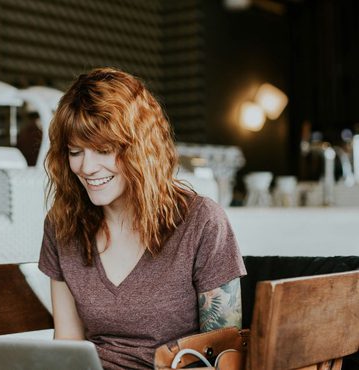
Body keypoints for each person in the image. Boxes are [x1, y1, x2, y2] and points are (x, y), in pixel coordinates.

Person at [38, 67, 246, 370]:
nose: (87, 167)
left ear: (140, 149)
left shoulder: (201, 221)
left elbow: (226, 355)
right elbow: (68, 342)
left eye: (104, 150)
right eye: (75, 152)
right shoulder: (61, 226)